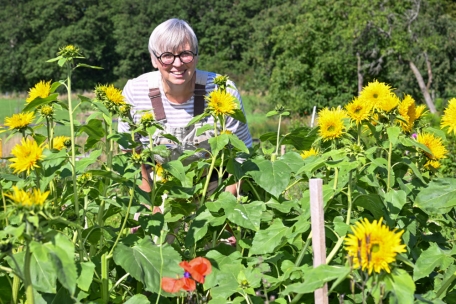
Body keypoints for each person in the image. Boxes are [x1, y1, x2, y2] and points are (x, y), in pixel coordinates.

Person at [117, 18, 252, 202]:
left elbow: (242, 152)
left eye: (185, 54)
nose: (178, 64)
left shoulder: (223, 90)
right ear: (153, 59)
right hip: (159, 184)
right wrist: (150, 206)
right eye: (167, 55)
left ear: (196, 56)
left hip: (215, 184)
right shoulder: (136, 91)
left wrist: (223, 209)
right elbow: (129, 151)